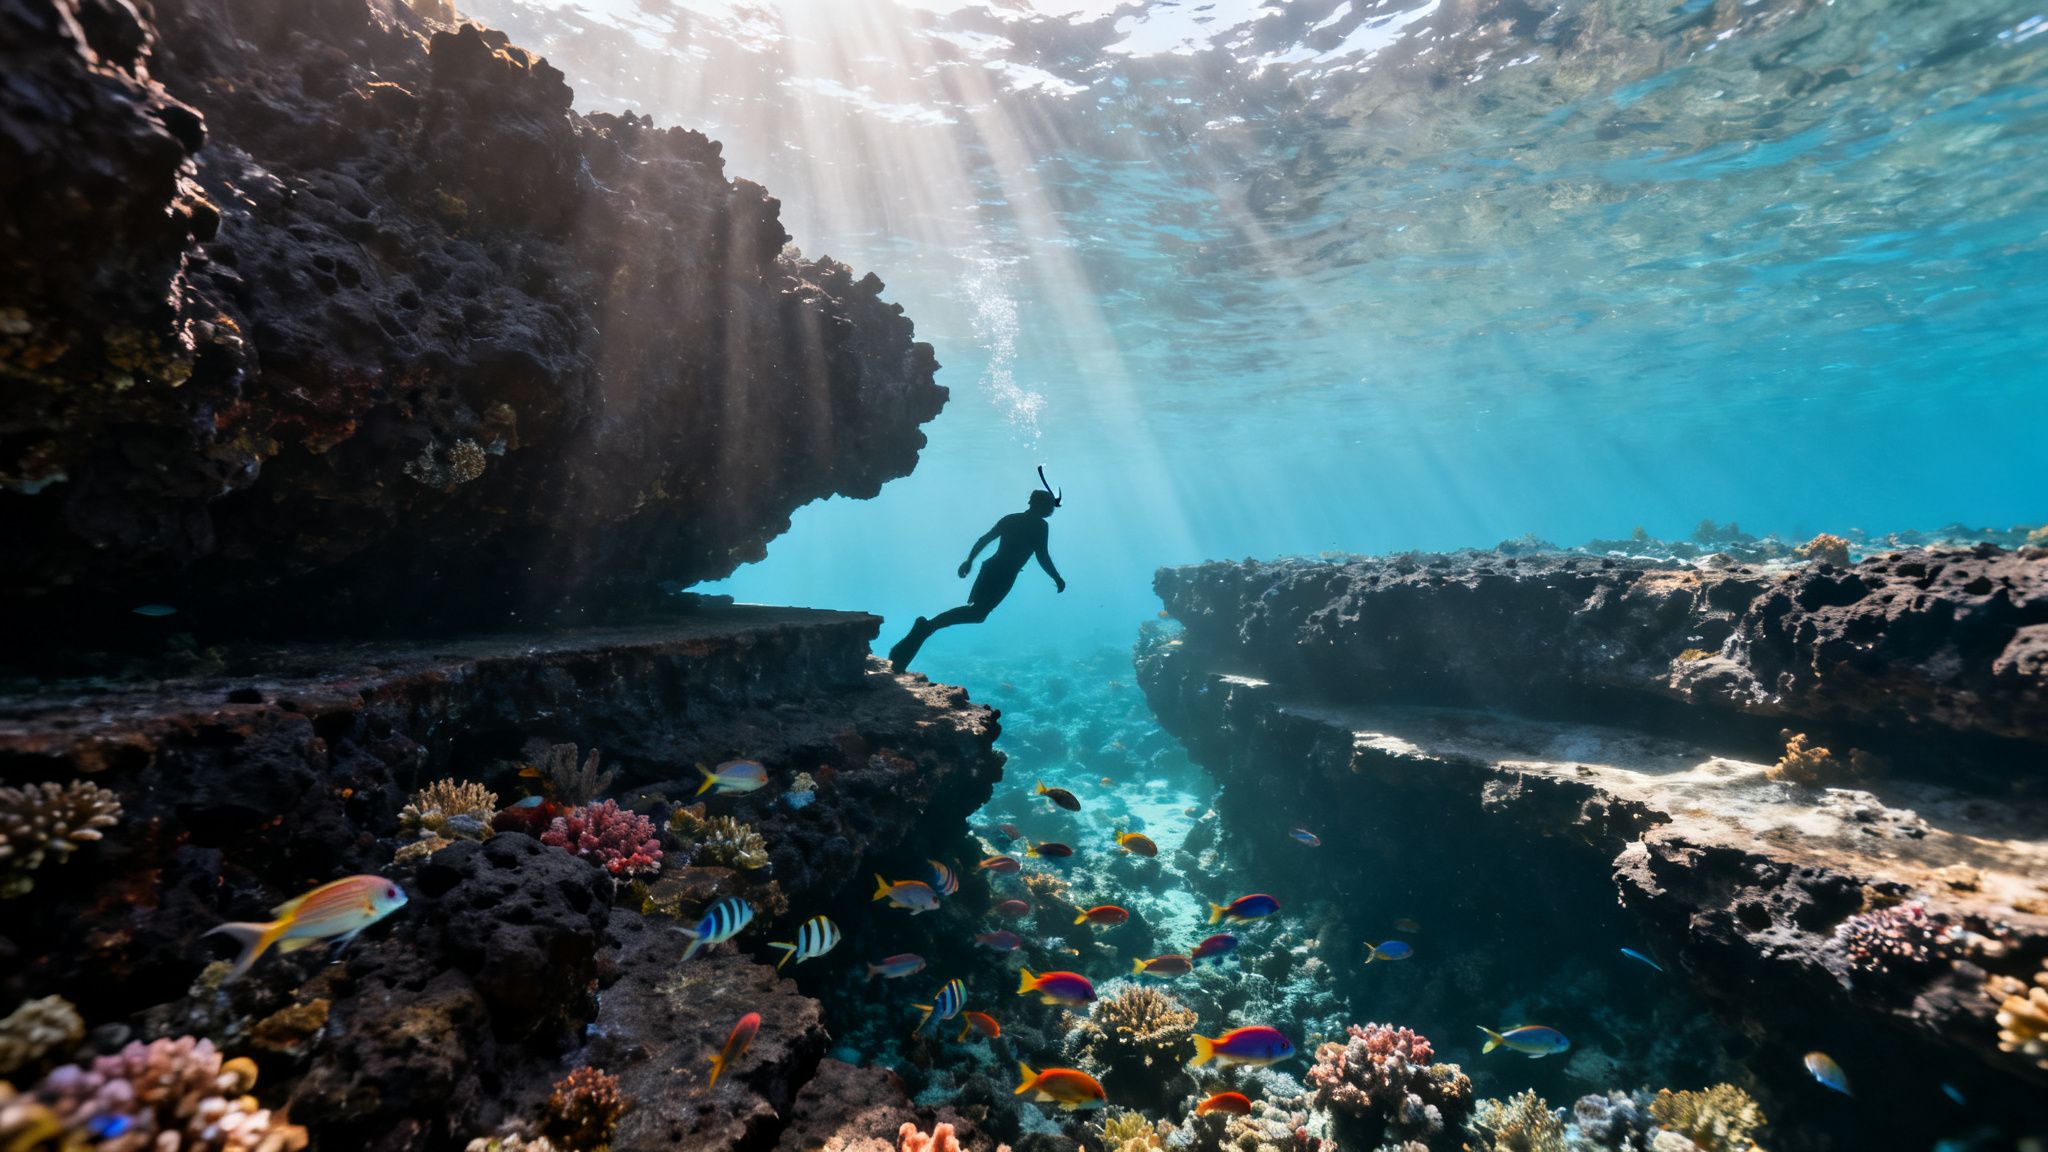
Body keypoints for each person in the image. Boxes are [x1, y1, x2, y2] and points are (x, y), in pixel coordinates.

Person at [888, 471, 1065, 672]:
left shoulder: (1010, 519)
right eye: (1051, 506)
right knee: (977, 614)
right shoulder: (1040, 526)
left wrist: (969, 560)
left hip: (991, 569)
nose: (1052, 510)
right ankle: (927, 627)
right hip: (1004, 574)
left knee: (977, 613)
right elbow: (1042, 555)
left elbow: (985, 539)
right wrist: (1057, 578)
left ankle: (926, 628)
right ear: (1043, 506)